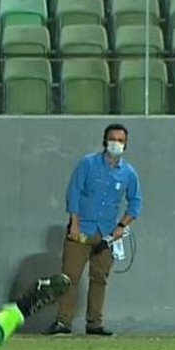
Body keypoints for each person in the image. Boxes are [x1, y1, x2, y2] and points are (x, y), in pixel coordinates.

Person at [46, 123, 142, 337]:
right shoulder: (87, 164)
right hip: (81, 229)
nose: (116, 143)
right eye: (112, 139)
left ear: (126, 144)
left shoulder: (128, 173)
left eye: (120, 140)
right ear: (104, 141)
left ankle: (95, 323)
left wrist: (121, 227)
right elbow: (74, 192)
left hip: (107, 233)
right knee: (69, 277)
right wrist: (74, 223)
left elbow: (135, 203)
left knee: (100, 278)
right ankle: (63, 321)